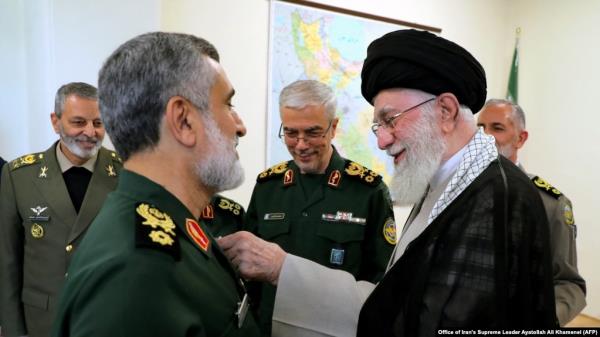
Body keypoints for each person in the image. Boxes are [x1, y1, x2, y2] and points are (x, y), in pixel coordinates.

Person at [219, 29, 557, 336]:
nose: (382, 142)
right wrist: (283, 270)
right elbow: (397, 299)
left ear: (446, 111)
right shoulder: (447, 185)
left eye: (390, 120)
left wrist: (284, 271)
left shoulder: (496, 198)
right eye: (378, 125)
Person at [50, 32, 260, 336]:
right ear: (183, 121)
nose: (240, 126)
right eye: (228, 105)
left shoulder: (176, 228)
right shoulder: (134, 271)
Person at [245, 79, 396, 335]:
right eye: (291, 133)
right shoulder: (267, 187)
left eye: (313, 132)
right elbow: (250, 278)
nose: (301, 144)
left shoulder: (367, 191)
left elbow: (381, 282)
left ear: (333, 127)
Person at [0, 82, 122, 337]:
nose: (90, 132)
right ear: (55, 122)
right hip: (44, 322)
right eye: (79, 122)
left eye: (98, 123)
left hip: (107, 320)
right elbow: (7, 263)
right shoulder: (18, 175)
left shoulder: (126, 171)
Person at [477, 98, 586, 325]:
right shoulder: (453, 193)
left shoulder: (549, 204)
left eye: (497, 128)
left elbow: (568, 284)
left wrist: (542, 322)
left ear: (521, 138)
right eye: (480, 128)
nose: (485, 136)